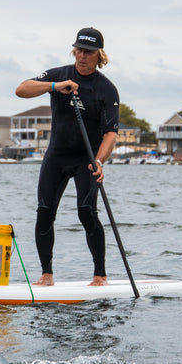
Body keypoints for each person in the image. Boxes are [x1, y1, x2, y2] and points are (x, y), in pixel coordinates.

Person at [15, 27, 118, 287]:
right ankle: (46, 275)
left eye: (89, 52)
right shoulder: (58, 75)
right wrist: (54, 86)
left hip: (87, 159)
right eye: (79, 50)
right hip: (57, 155)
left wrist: (100, 161)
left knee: (87, 212)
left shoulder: (106, 89)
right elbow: (21, 89)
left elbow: (110, 134)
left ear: (99, 55)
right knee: (44, 212)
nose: (82, 56)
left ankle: (99, 276)